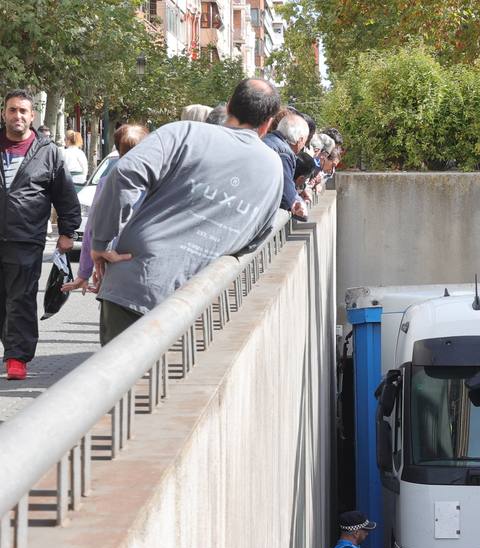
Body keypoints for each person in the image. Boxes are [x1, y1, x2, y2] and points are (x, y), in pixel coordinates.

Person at [86, 78, 283, 345]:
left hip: (136, 284)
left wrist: (100, 242)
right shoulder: (273, 168)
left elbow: (124, 174)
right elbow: (260, 235)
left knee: (123, 382)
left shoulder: (184, 133)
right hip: (199, 300)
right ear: (268, 122)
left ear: (228, 106)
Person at [0, 90, 80, 380]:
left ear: (32, 116)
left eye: (23, 111)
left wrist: (68, 231)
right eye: (12, 110)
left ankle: (17, 358)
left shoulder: (48, 152)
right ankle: (11, 347)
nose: (17, 116)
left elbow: (66, 196)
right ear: (4, 113)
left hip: (26, 238)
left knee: (20, 298)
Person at [60, 124, 149, 295]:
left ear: (117, 150)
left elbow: (92, 228)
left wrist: (84, 272)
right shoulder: (159, 181)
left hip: (115, 262)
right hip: (145, 263)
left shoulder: (107, 181)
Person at [264, 111, 309, 217]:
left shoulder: (266, 140)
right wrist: (299, 203)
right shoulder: (284, 153)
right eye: (304, 142)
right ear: (300, 140)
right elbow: (287, 194)